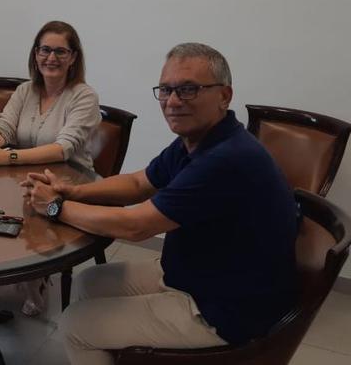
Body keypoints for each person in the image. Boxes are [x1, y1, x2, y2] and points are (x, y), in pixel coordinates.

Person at [22, 43, 298, 364]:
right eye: (166, 90)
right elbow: (139, 183)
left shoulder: (226, 158)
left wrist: (56, 207)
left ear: (224, 96)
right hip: (197, 273)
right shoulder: (199, 139)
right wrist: (68, 191)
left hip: (225, 309)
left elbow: (137, 225)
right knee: (88, 281)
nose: (172, 101)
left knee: (74, 324)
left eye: (188, 89)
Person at [0, 20, 101, 316]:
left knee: (24, 205)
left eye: (60, 51)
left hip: (68, 183)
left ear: (73, 58)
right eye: (44, 50)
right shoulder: (26, 90)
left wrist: (8, 159)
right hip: (24, 175)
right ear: (35, 53)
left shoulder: (84, 96)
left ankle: (33, 276)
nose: (51, 58)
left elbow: (63, 148)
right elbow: (3, 125)